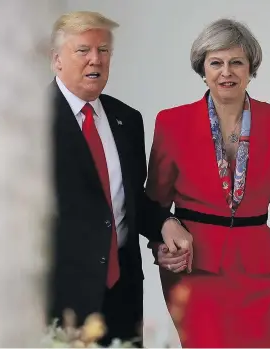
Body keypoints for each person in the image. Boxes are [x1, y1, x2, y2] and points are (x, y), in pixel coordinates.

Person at [146, 18, 270, 348]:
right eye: (216, 63)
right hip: (194, 271)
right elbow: (153, 206)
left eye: (236, 62)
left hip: (257, 273)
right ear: (203, 69)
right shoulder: (171, 122)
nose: (226, 72)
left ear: (250, 68)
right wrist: (161, 247)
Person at [47, 11, 193, 346]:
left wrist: (165, 222)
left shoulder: (126, 119)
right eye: (83, 50)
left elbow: (130, 198)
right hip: (61, 299)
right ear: (56, 59)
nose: (95, 59)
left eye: (104, 50)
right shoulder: (32, 121)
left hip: (123, 294)